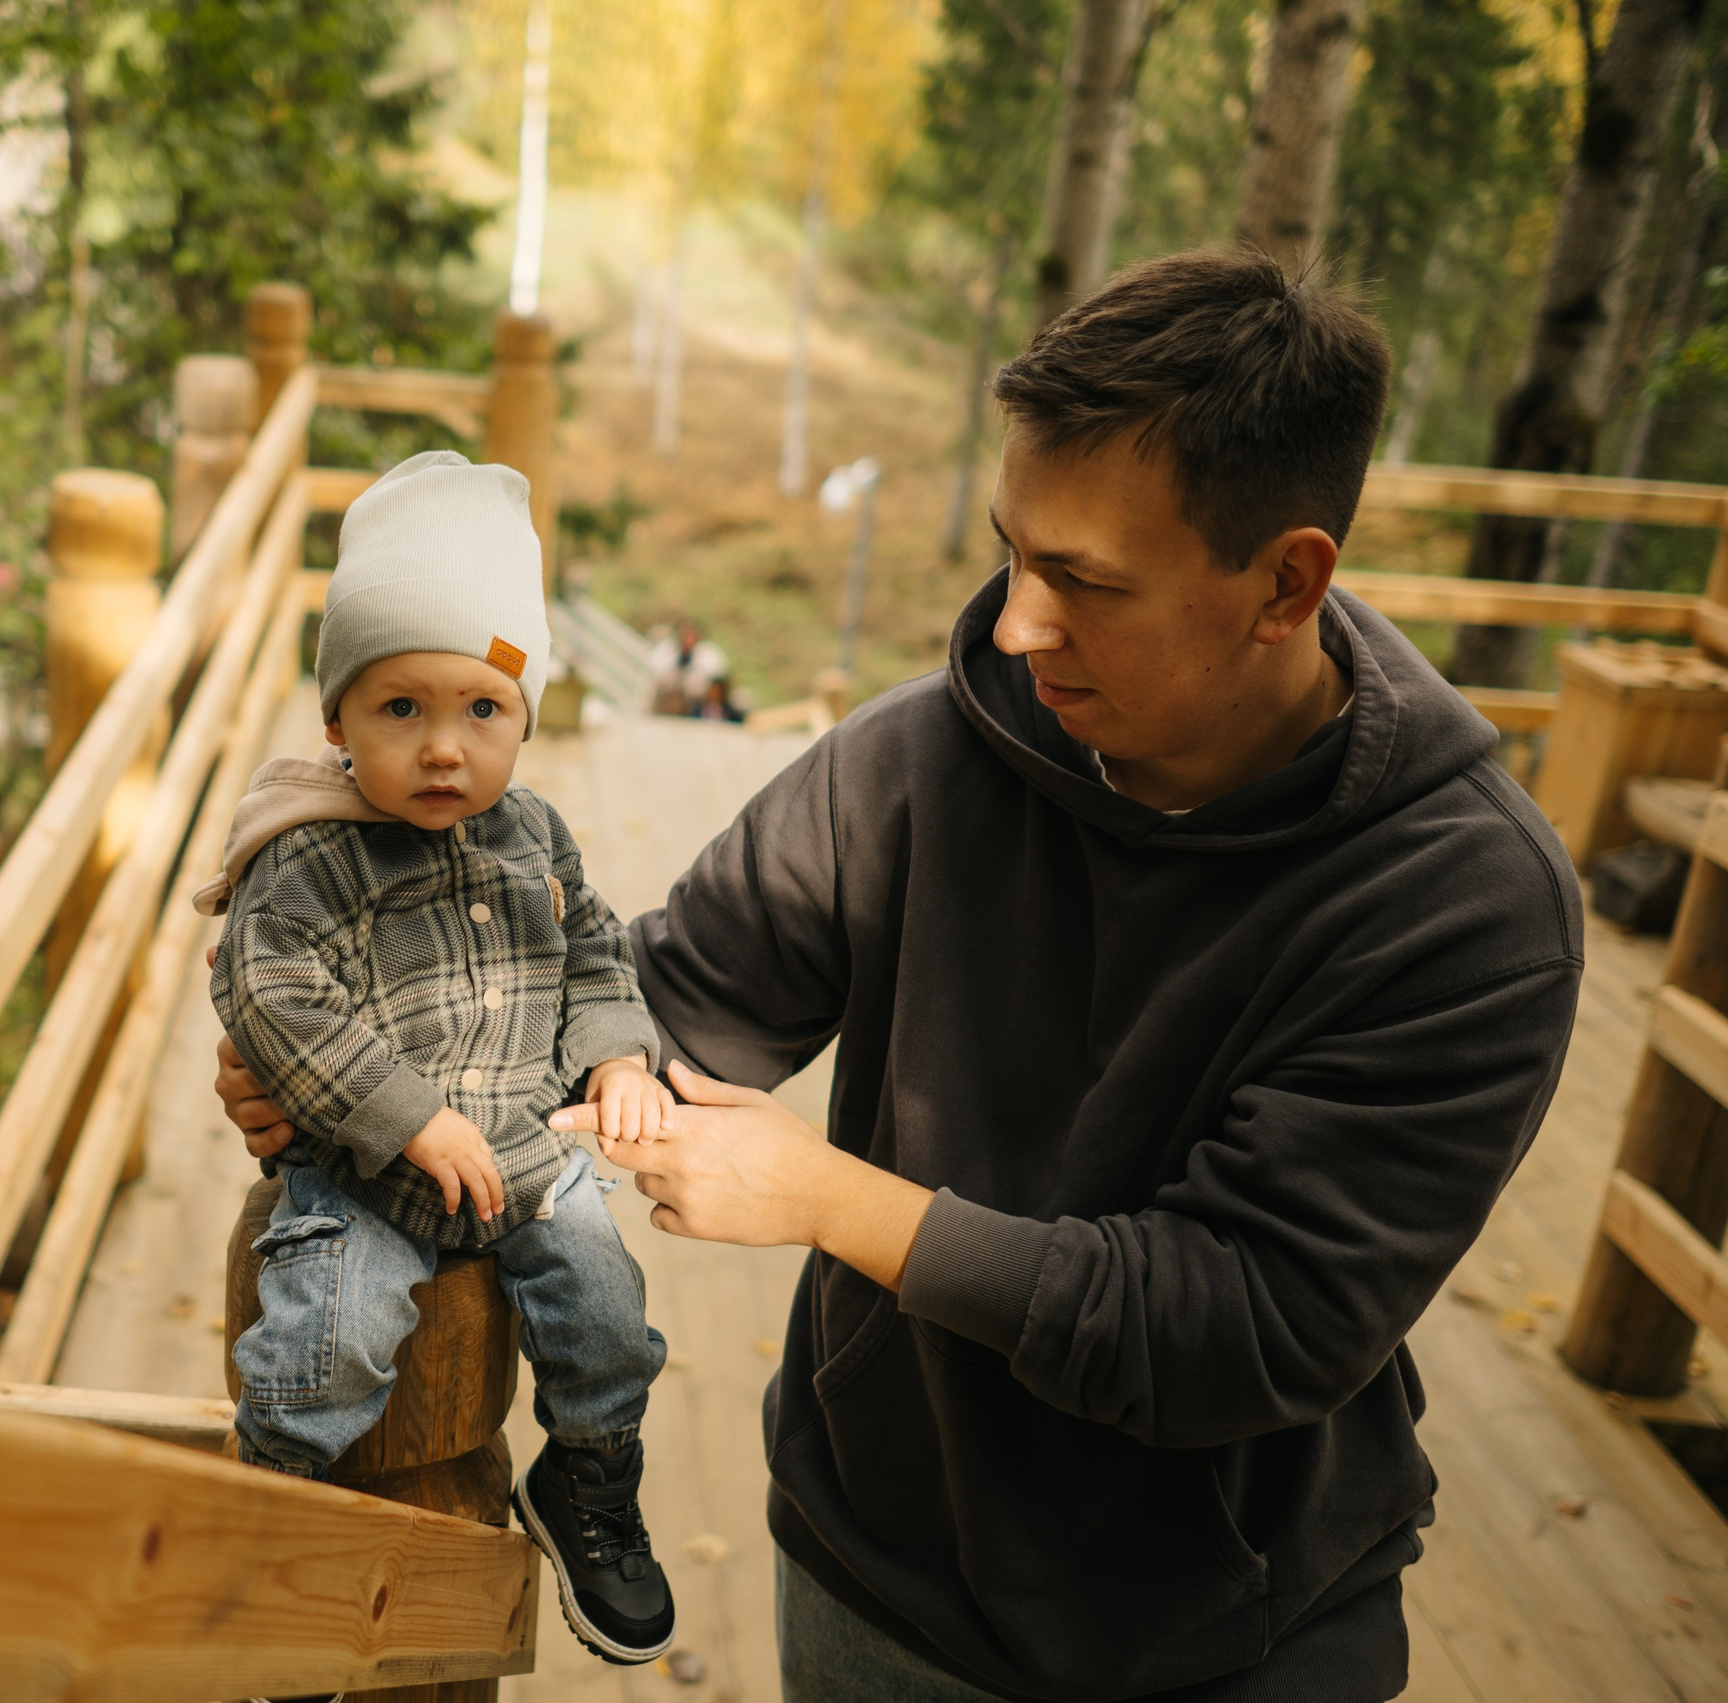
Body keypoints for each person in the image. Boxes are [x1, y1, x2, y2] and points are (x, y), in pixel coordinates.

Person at [216, 251, 1583, 1702]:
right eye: (1014, 550)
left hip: (1217, 1635)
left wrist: (826, 1198)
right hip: (874, 1570)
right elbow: (664, 998)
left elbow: (1242, 1321)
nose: (1014, 623)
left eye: (1083, 581)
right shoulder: (928, 755)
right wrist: (361, 1070)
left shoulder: (1464, 906)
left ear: (1285, 581)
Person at [199, 450, 681, 1669]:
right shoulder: (303, 857)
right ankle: (272, 1551)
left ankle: (587, 1476)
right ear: (336, 720)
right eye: (399, 709)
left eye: (483, 710)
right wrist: (407, 1114)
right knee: (333, 1339)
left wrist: (618, 1056)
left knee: (605, 1305)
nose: (443, 748)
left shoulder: (533, 838)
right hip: (367, 1177)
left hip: (522, 1149)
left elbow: (593, 956)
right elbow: (275, 995)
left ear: (523, 715)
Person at [644, 618, 728, 716]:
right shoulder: (665, 650)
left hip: (696, 703)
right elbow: (657, 674)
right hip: (666, 699)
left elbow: (718, 680)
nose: (688, 640)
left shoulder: (708, 654)